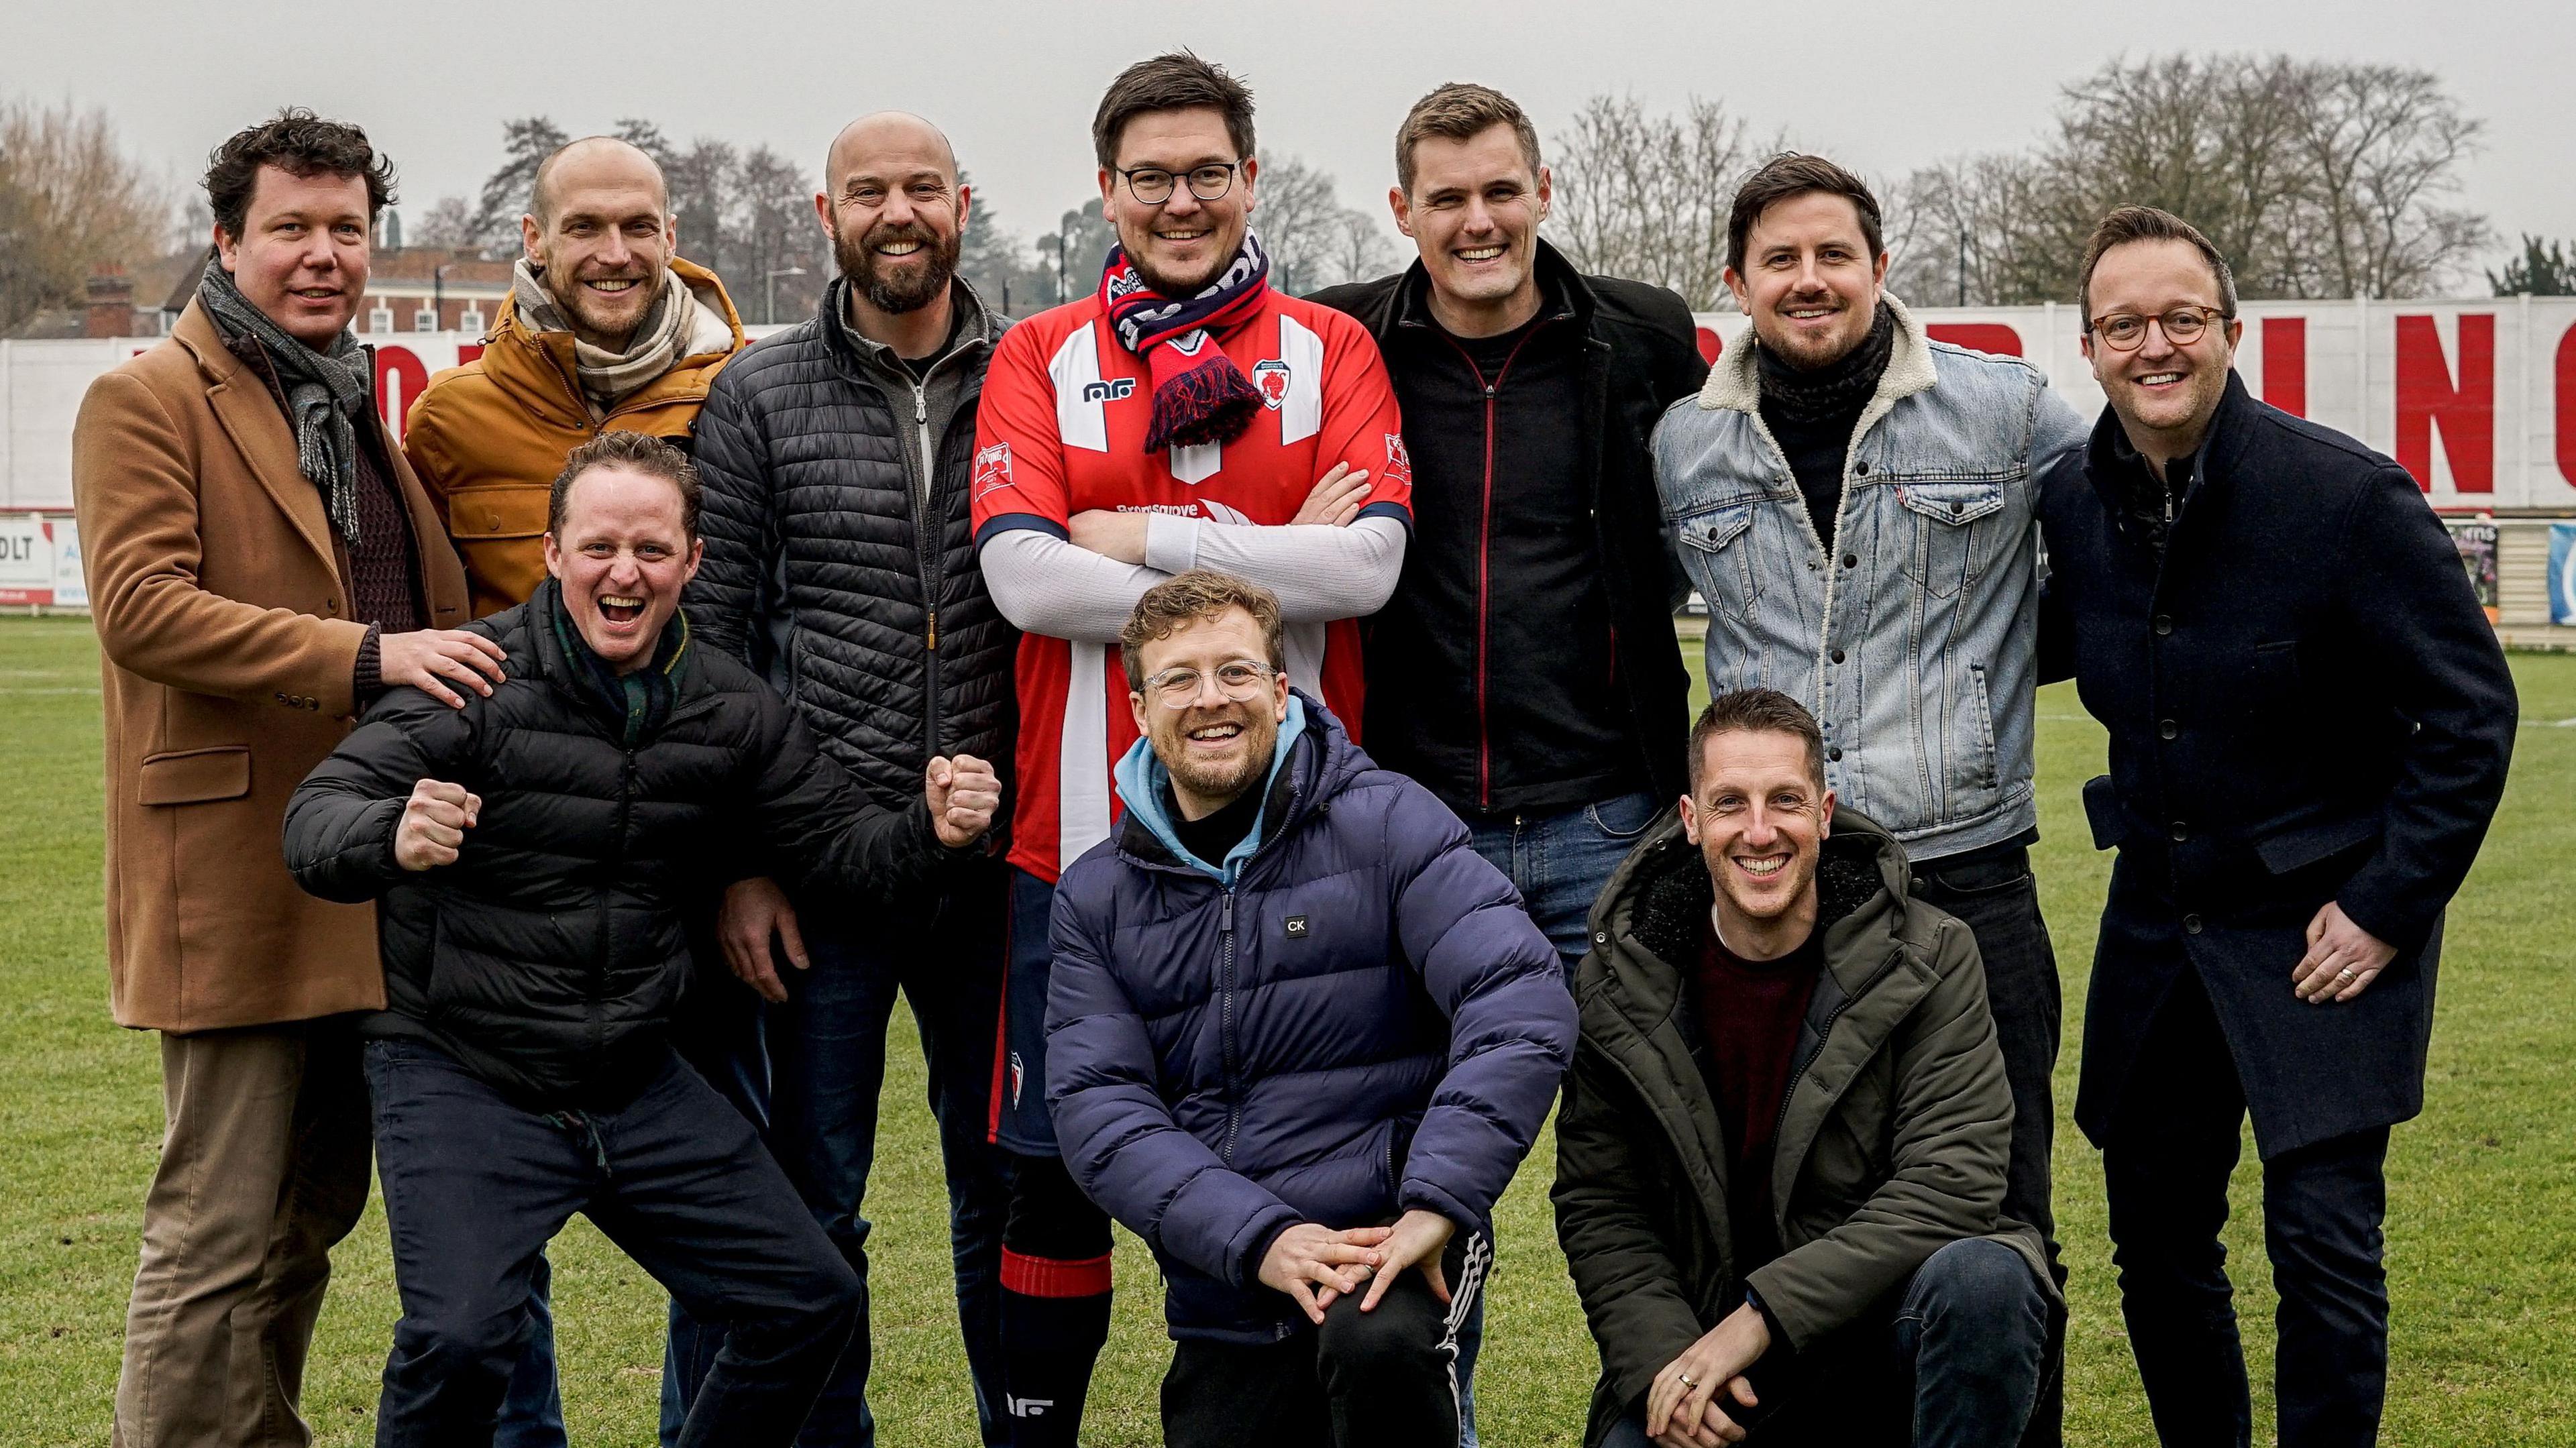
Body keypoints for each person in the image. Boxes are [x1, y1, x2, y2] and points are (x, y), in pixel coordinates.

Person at [280, 431, 1002, 1447]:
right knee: (461, 1335)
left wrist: (935, 831)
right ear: (554, 553)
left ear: (693, 562)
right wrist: (389, 834)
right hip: (462, 1065)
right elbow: (316, 815)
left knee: (806, 1298)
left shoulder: (729, 705)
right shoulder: (474, 682)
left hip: (628, 1071)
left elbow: (842, 846)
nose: (626, 571)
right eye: (600, 546)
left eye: (653, 550)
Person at [967, 52, 1411, 1445]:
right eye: (1149, 175)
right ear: (1106, 188)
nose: (1180, 200)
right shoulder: (1038, 353)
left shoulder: (1330, 347)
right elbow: (1026, 585)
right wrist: (1283, 565)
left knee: (1282, 1177)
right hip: (1081, 851)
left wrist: (1141, 535)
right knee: (1053, 1181)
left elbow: (1377, 570)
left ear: (1250, 180)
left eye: (1206, 171)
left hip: (1303, 860)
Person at [2036, 206, 2517, 1448]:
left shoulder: (2346, 496)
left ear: (2230, 333)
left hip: (2324, 923)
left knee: (2322, 1240)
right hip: (2157, 923)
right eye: (2126, 323)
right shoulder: (2069, 505)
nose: (2157, 345)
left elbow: (2469, 716)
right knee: (2154, 1233)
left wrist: (2388, 905)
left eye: (2183, 319)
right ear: (2089, 345)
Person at [1651, 152, 2085, 1441]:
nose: (1809, 279)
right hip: (1782, 884)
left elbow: (2123, 541)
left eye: (1834, 253)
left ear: (1883, 268)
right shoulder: (1686, 442)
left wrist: (1993, 669)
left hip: (1969, 877)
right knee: (1774, 1205)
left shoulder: (2005, 409)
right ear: (1736, 283)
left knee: (2006, 1228)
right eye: (1778, 258)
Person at [69, 109, 480, 1448]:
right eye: (291, 228)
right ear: (226, 239)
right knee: (215, 1229)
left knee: (307, 1221)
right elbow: (143, 607)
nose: (322, 255)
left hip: (365, 871)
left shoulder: (356, 400)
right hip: (237, 871)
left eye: (346, 229)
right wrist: (371, 656)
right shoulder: (145, 396)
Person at [1309, 82, 1709, 1438]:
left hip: (1615, 820)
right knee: (1415, 1182)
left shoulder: (1646, 337)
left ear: (1543, 190)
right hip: (1411, 834)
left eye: (1500, 190)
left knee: (1653, 1170)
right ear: (1401, 208)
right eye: (1448, 197)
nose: (1477, 220)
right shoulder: (1340, 336)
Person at [1046, 571, 1574, 1448]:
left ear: (1281, 688)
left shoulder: (1390, 823)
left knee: (1380, 1351)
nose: (1211, 699)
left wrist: (1438, 1199)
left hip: (1391, 1246)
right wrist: (1261, 1236)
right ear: (1139, 707)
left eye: (1237, 672)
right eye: (1180, 678)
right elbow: (1100, 1110)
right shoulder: (1096, 895)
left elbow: (1519, 993)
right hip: (1233, 1270)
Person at [676, 110, 1017, 1446]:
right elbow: (725, 646)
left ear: (961, 206)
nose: (897, 210)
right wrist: (743, 861)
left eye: (920, 187)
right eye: (867, 190)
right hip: (817, 873)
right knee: (813, 1193)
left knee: (1007, 1185)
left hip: (996, 867)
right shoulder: (756, 397)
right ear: (826, 214)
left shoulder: (1034, 375)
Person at [1554, 688, 2055, 1447]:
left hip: (1876, 1340)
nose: (1760, 831)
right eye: (1731, 803)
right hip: (1715, 1357)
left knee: (1987, 1279)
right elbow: (1603, 1203)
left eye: (1784, 800)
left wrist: (1759, 1319)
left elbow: (1952, 1182)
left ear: (1824, 812)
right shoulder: (1621, 982)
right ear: (1692, 821)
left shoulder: (1931, 954)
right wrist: (1672, 1364)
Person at [407, 135, 745, 620]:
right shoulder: (449, 419)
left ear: (669, 238)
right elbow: (423, 613)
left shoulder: (736, 397)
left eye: (638, 227)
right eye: (584, 228)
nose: (614, 254)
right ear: (534, 239)